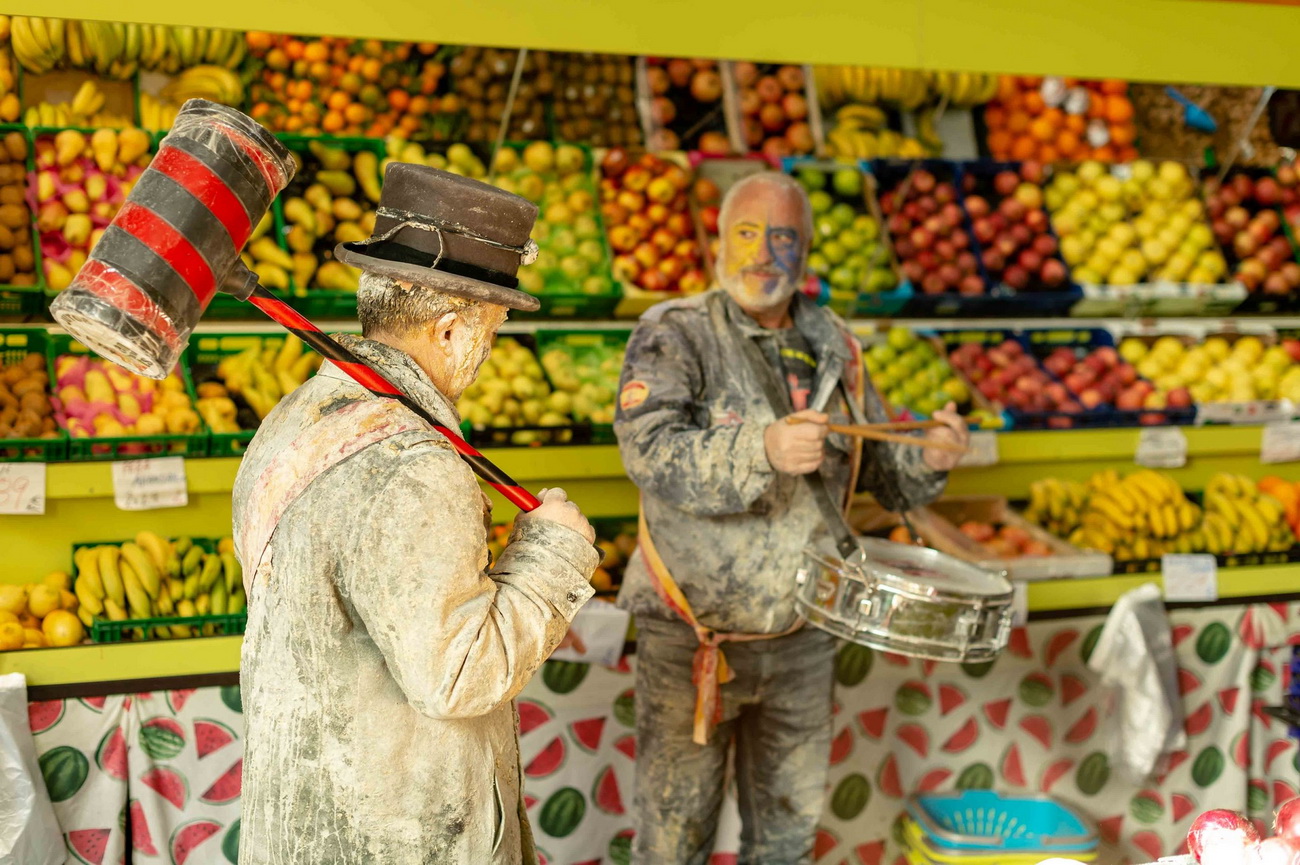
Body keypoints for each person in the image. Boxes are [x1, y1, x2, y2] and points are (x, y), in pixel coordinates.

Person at [232, 165, 600, 864]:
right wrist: (551, 555)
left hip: (305, 823)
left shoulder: (293, 418)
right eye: (492, 332)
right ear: (452, 331)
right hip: (395, 837)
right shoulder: (415, 466)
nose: (487, 354)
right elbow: (457, 676)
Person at [614, 171, 969, 863]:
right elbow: (648, 453)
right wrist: (763, 448)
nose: (763, 253)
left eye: (782, 237)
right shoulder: (674, 331)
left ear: (805, 252)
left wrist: (929, 456)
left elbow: (882, 475)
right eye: (747, 233)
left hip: (805, 634)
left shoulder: (837, 343)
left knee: (787, 842)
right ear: (719, 240)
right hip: (692, 638)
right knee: (672, 842)